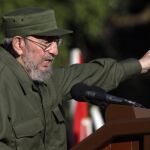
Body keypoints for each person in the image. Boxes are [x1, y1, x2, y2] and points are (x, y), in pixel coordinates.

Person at [0, 7, 150, 150]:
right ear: (19, 44)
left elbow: (93, 74)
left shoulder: (41, 77)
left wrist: (141, 64)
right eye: (46, 43)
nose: (55, 51)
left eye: (56, 41)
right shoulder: (3, 84)